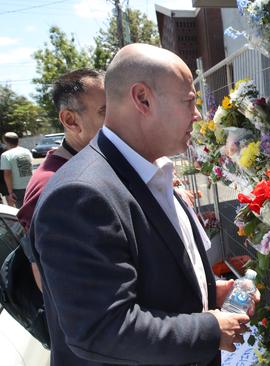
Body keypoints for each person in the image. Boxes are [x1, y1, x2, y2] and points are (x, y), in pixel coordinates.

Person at [31, 43, 255, 365]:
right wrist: (210, 328)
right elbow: (102, 329)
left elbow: (153, 276)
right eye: (188, 101)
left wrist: (208, 292)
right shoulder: (81, 195)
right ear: (143, 99)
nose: (197, 115)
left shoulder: (149, 171)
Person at [17, 68, 106, 291]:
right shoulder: (51, 185)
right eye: (105, 112)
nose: (119, 122)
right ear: (70, 120)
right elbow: (50, 281)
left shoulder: (89, 163)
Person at [1, 132, 33, 208]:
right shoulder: (26, 151)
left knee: (22, 211)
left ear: (5, 142)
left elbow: (7, 174)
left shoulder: (6, 155)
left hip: (18, 189)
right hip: (31, 184)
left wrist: (10, 192)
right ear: (18, 140)